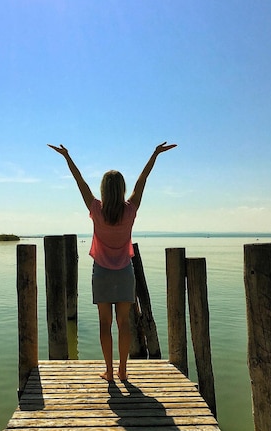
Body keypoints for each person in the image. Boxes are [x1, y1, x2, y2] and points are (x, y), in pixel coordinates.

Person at [48, 142, 177, 381]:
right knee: (124, 323)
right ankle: (123, 370)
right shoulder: (130, 210)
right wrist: (155, 154)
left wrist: (67, 157)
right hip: (125, 271)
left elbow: (80, 182)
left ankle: (109, 370)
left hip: (102, 273)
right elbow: (143, 180)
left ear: (104, 189)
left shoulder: (96, 208)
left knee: (105, 324)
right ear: (121, 189)